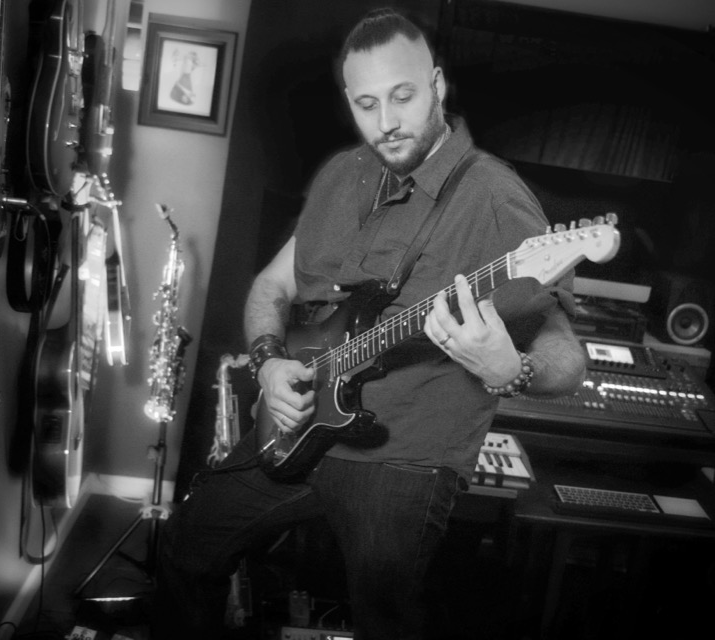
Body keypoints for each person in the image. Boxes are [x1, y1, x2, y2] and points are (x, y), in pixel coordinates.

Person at [155, 8, 586, 639]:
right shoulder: (340, 175)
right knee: (187, 546)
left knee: (386, 617)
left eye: (403, 96)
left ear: (437, 85)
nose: (385, 123)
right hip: (299, 426)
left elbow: (568, 358)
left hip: (406, 462)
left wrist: (510, 368)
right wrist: (270, 359)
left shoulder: (495, 199)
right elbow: (272, 284)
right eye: (366, 104)